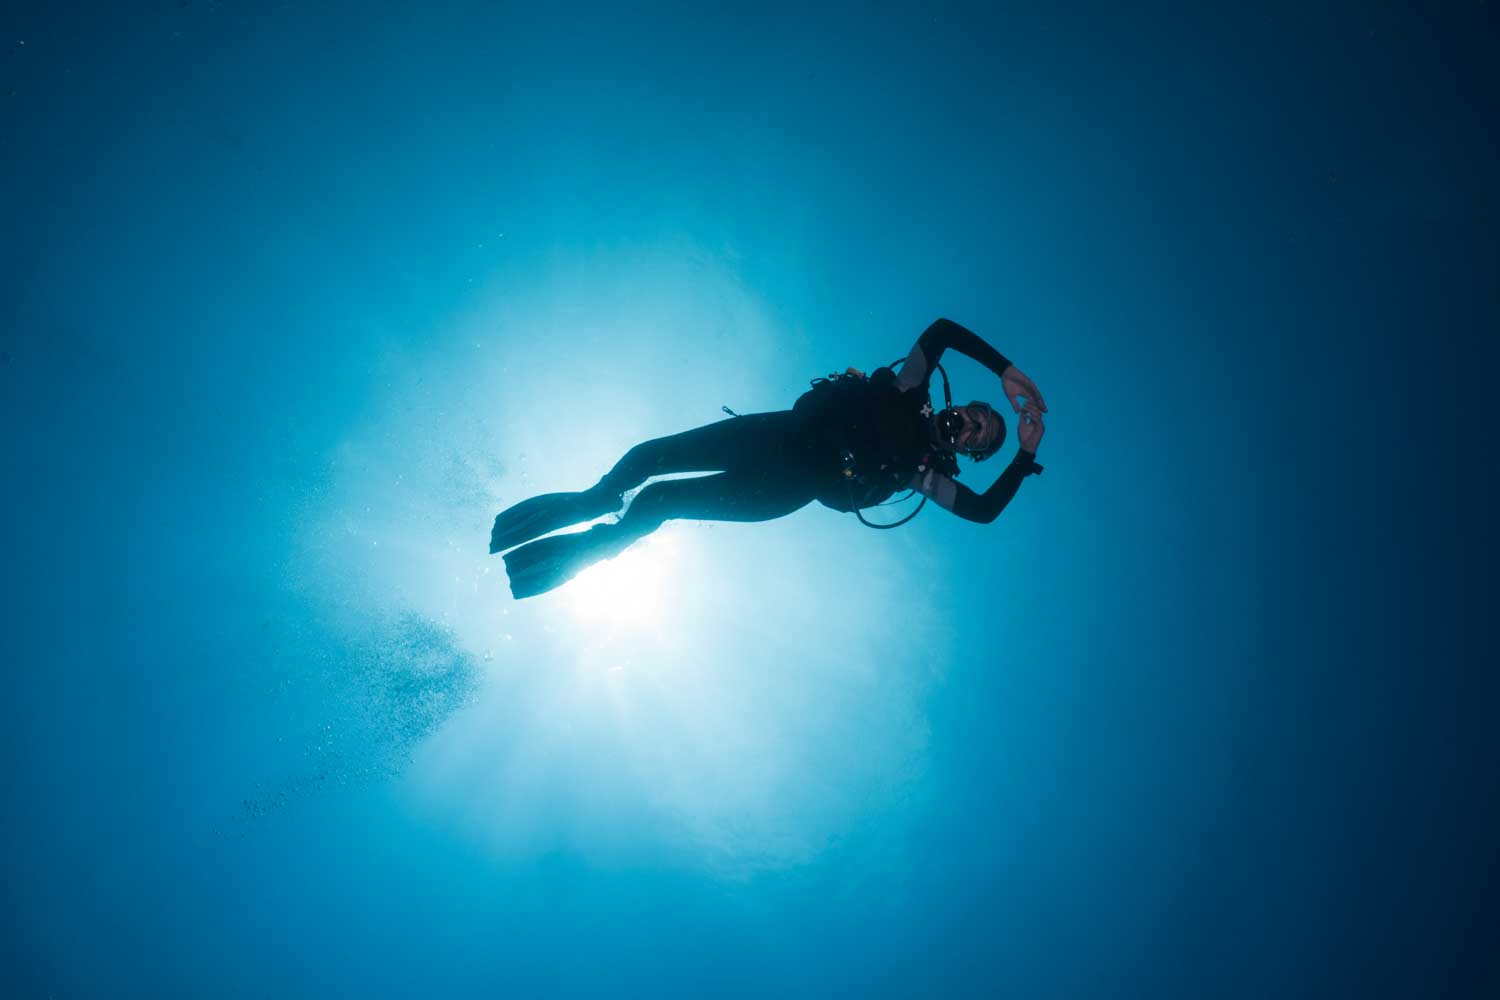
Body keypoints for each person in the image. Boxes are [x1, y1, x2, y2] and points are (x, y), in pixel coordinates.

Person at [489, 317, 1048, 599]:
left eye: (978, 438)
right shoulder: (908, 390)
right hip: (772, 434)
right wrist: (1006, 370)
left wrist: (1023, 456)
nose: (972, 426)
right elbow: (943, 330)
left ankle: (588, 549)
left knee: (657, 502)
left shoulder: (922, 474)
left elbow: (982, 512)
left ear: (966, 452)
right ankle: (591, 501)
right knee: (647, 457)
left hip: (783, 490)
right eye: (979, 415)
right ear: (964, 405)